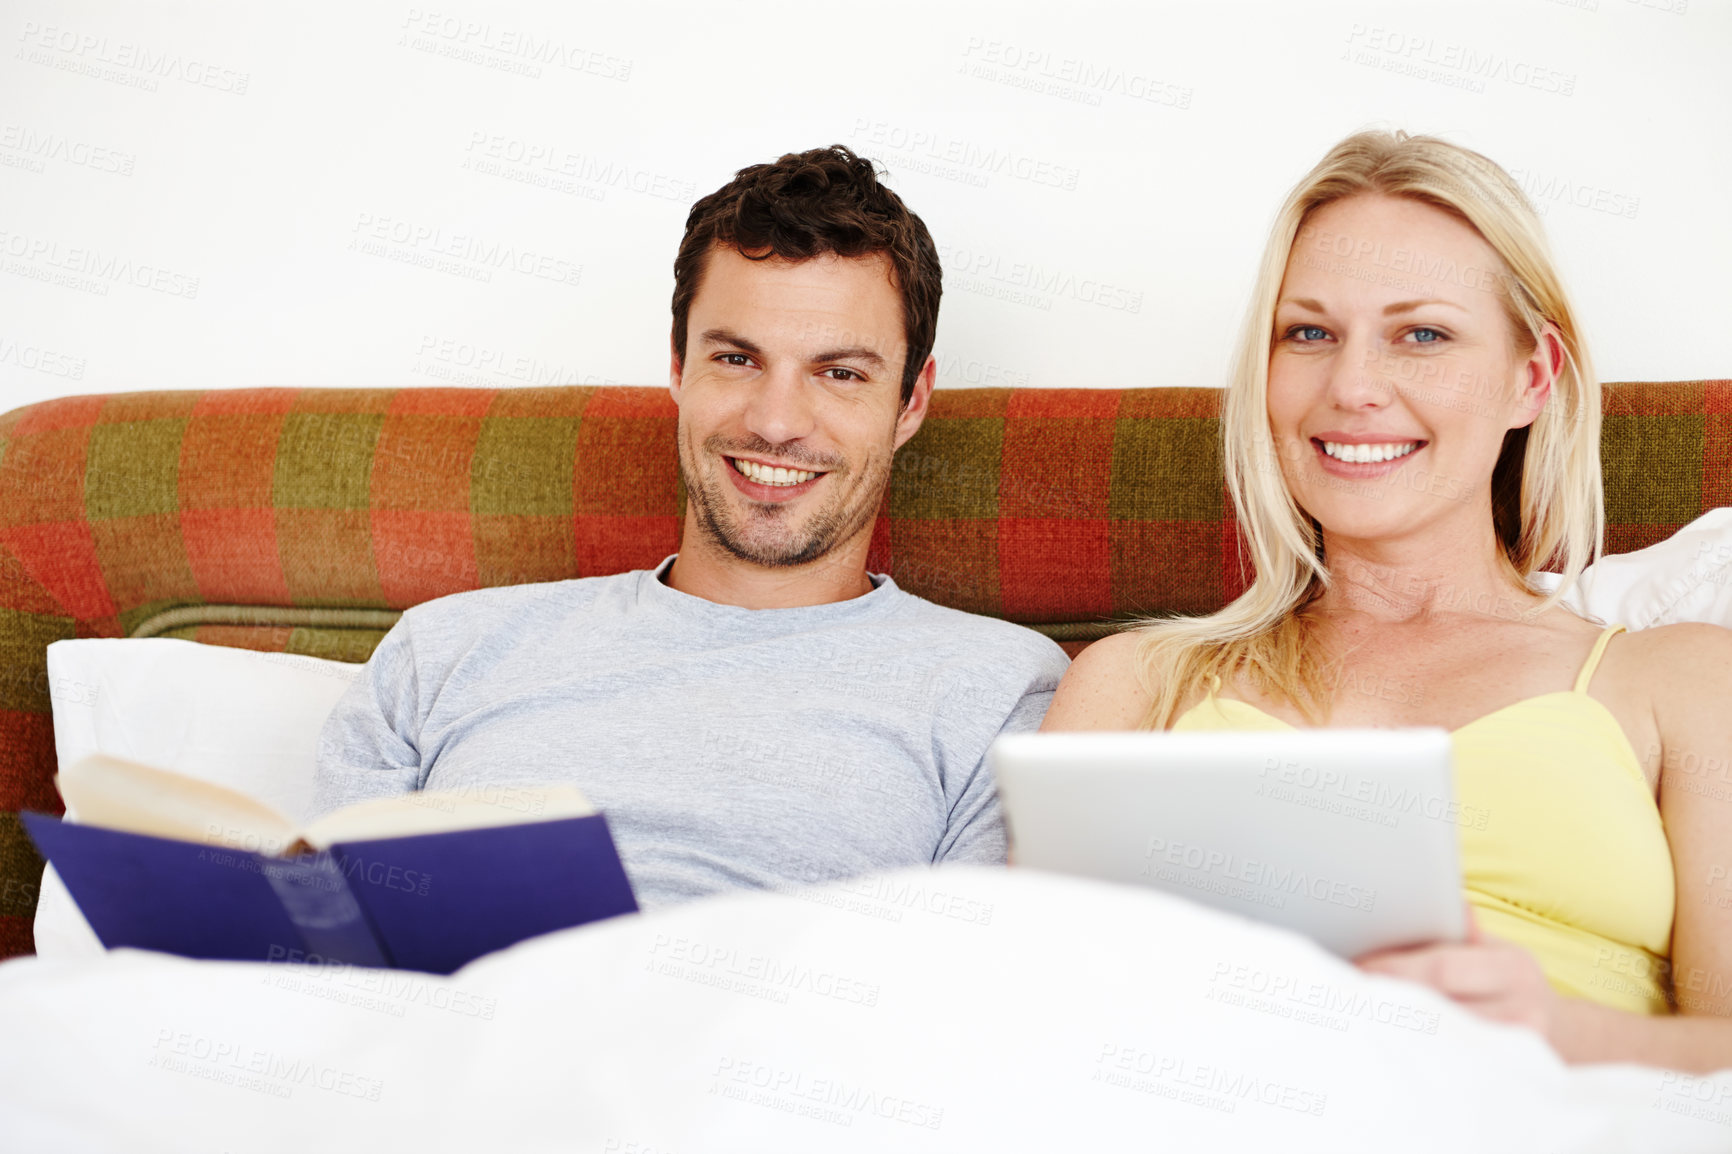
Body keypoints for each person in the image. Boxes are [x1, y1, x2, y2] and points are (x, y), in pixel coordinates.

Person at [1042, 130, 1732, 1072]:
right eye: (1310, 333)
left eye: (1423, 335)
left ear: (1532, 377)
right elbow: (1030, 1012)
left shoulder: (1683, 681)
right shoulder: (1133, 682)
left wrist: (1559, 1033)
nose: (1353, 387)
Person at [313, 145, 1068, 906]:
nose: (775, 424)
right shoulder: (442, 653)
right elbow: (329, 953)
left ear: (911, 402)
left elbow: (971, 983)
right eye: (738, 359)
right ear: (679, 365)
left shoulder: (1001, 690)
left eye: (840, 373)